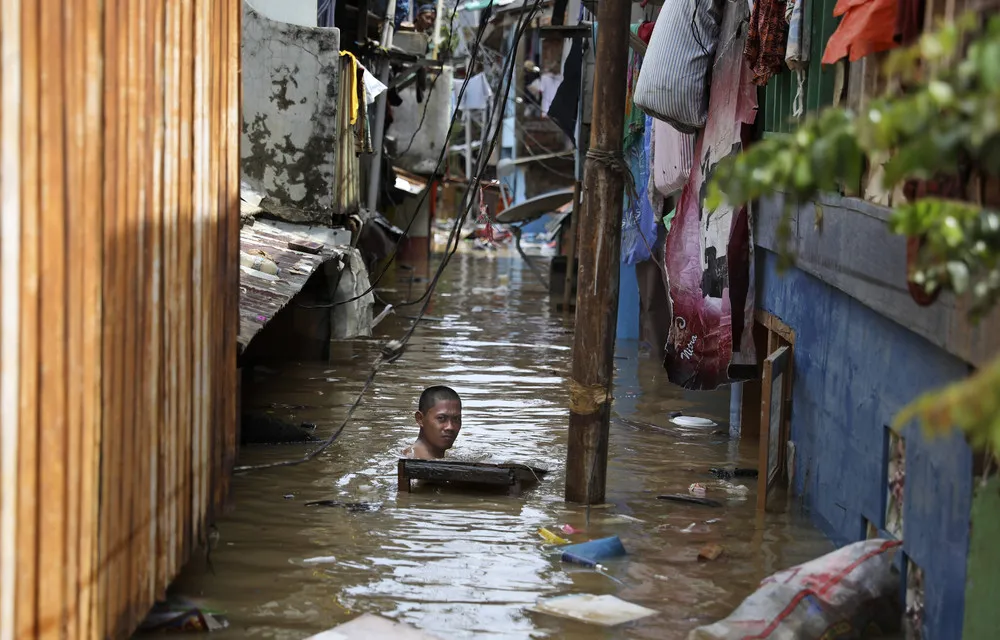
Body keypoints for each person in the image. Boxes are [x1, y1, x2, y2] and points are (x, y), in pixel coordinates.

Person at [403, 385, 462, 459]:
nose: (450, 427)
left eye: (456, 419)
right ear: (420, 419)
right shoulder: (412, 463)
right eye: (441, 418)